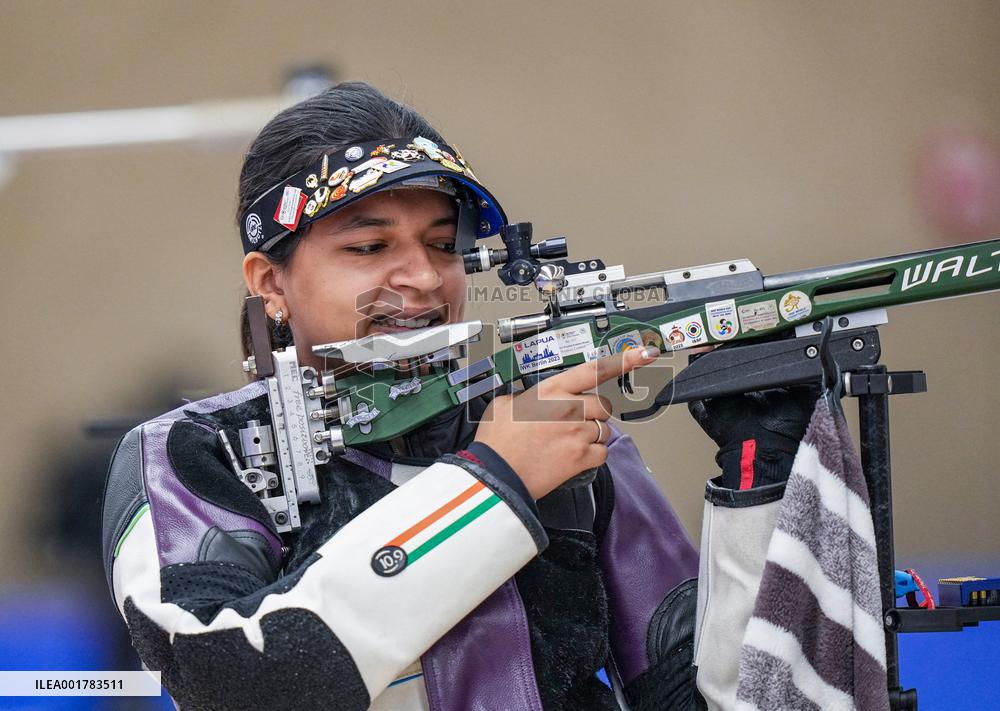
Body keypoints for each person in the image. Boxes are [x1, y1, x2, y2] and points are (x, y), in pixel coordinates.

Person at [100, 82, 703, 711]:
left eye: (444, 245)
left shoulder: (562, 433)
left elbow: (699, 690)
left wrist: (757, 478)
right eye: (368, 247)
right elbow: (234, 682)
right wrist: (494, 485)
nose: (422, 277)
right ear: (270, 282)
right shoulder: (192, 453)